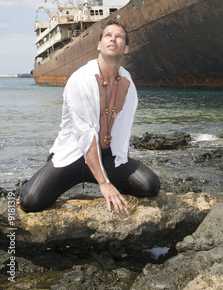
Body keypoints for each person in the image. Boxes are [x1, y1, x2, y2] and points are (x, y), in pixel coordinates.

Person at [19, 19, 160, 213]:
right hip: (75, 156)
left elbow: (123, 127)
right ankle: (42, 179)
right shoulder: (81, 79)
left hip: (107, 157)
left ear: (125, 48)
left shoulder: (127, 82)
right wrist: (104, 184)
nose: (113, 39)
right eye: (108, 35)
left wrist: (124, 161)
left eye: (119, 37)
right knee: (30, 201)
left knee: (150, 185)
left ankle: (104, 176)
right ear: (99, 45)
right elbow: (85, 134)